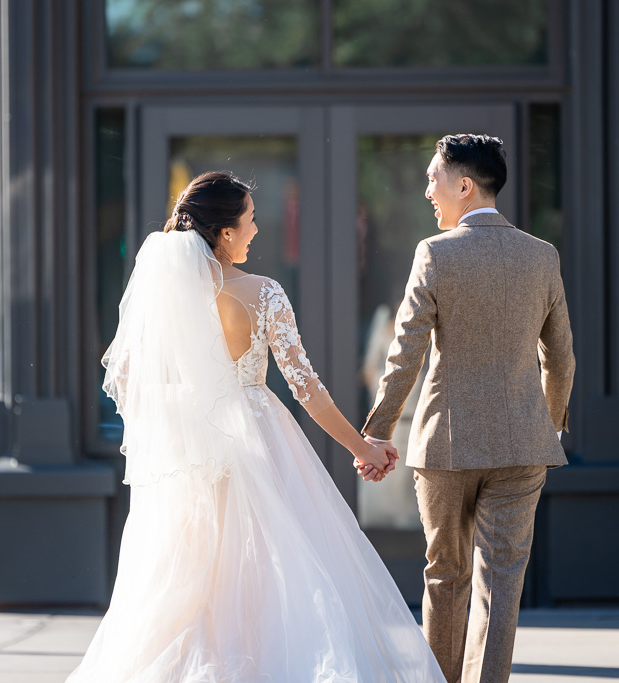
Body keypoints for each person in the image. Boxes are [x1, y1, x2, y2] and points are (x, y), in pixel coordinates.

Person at [66, 171, 446, 682]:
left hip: (192, 452)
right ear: (225, 232)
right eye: (249, 220)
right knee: (272, 569)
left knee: (195, 576)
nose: (256, 230)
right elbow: (306, 389)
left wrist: (186, 410)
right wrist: (364, 447)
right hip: (259, 440)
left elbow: (132, 378)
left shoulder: (167, 297)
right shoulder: (264, 293)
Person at [357, 134, 575, 683]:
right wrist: (547, 425)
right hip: (522, 446)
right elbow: (560, 359)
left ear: (465, 186)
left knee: (446, 575)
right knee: (502, 583)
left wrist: (377, 432)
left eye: (434, 178)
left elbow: (404, 353)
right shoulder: (542, 256)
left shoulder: (435, 253)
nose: (428, 190)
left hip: (446, 444)